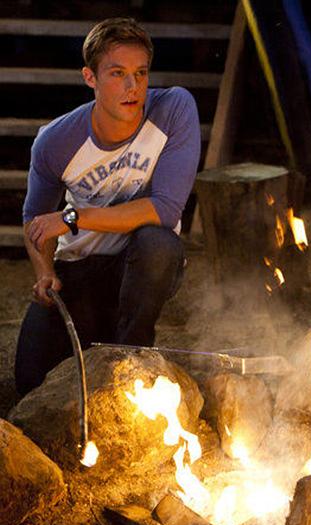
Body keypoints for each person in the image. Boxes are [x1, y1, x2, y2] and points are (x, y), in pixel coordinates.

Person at [14, 17, 201, 396]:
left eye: (140, 73)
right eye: (118, 74)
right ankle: (101, 336)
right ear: (90, 77)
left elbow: (165, 209)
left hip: (141, 266)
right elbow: (35, 221)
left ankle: (135, 362)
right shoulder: (55, 141)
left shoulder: (173, 109)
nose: (133, 87)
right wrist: (45, 271)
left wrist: (72, 217)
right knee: (29, 381)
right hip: (80, 268)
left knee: (159, 243)